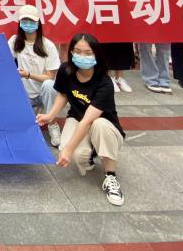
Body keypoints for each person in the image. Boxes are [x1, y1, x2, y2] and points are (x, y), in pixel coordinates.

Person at [37, 33, 125, 206]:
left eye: (88, 53)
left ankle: (110, 176)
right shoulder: (66, 70)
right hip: (77, 117)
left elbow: (88, 121)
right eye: (77, 51)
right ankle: (92, 153)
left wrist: (68, 150)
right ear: (71, 52)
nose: (82, 56)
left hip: (104, 124)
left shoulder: (104, 83)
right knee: (79, 156)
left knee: (97, 126)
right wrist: (50, 115)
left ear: (96, 54)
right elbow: (63, 94)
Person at [9, 5, 61, 146]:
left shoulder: (48, 45)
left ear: (38, 22)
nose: (28, 24)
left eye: (31, 21)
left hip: (44, 93)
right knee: (22, 129)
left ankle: (52, 124)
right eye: (24, 21)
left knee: (49, 85)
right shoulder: (14, 41)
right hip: (24, 93)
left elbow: (50, 76)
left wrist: (28, 75)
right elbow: (4, 60)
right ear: (20, 23)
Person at [89, 0, 134, 93]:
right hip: (103, 14)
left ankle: (120, 77)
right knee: (105, 46)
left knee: (122, 46)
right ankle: (107, 76)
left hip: (121, 15)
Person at [129, 0, 171, 93]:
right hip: (142, 11)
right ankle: (150, 78)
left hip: (162, 10)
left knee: (164, 48)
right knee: (145, 48)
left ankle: (164, 79)